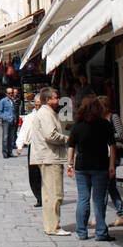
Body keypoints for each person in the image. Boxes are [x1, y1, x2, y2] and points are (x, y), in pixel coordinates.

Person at [68, 96, 117, 241]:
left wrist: (69, 164)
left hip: (82, 166)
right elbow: (112, 147)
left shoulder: (78, 125)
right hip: (100, 165)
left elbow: (71, 146)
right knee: (98, 199)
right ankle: (101, 232)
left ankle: (82, 232)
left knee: (83, 198)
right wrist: (112, 165)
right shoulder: (105, 124)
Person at [24, 87, 70, 235]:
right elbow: (51, 135)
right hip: (50, 157)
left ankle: (51, 225)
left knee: (50, 193)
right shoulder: (45, 114)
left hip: (48, 156)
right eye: (55, 98)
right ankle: (53, 226)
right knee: (54, 193)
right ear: (48, 100)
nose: (58, 100)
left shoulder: (47, 113)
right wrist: (68, 139)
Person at [101, 96, 123, 227]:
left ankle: (101, 216)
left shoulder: (114, 117)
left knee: (105, 185)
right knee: (110, 186)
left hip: (114, 155)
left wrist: (107, 135)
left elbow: (122, 135)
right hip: (105, 155)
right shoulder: (101, 119)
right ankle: (121, 214)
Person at [15, 92, 43, 206]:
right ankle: (39, 197)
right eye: (36, 105)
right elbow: (24, 131)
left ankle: (47, 196)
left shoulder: (49, 116)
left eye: (40, 105)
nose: (38, 107)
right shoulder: (30, 117)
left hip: (45, 147)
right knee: (34, 174)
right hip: (34, 146)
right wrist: (20, 145)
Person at [0, 86, 18, 158]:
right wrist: (5, 118)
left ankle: (10, 152)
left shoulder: (12, 101)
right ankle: (5, 153)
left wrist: (15, 119)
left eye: (12, 93)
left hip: (12, 121)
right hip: (6, 121)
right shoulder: (3, 101)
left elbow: (14, 111)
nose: (11, 94)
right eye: (9, 93)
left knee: (11, 137)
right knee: (5, 137)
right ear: (6, 94)